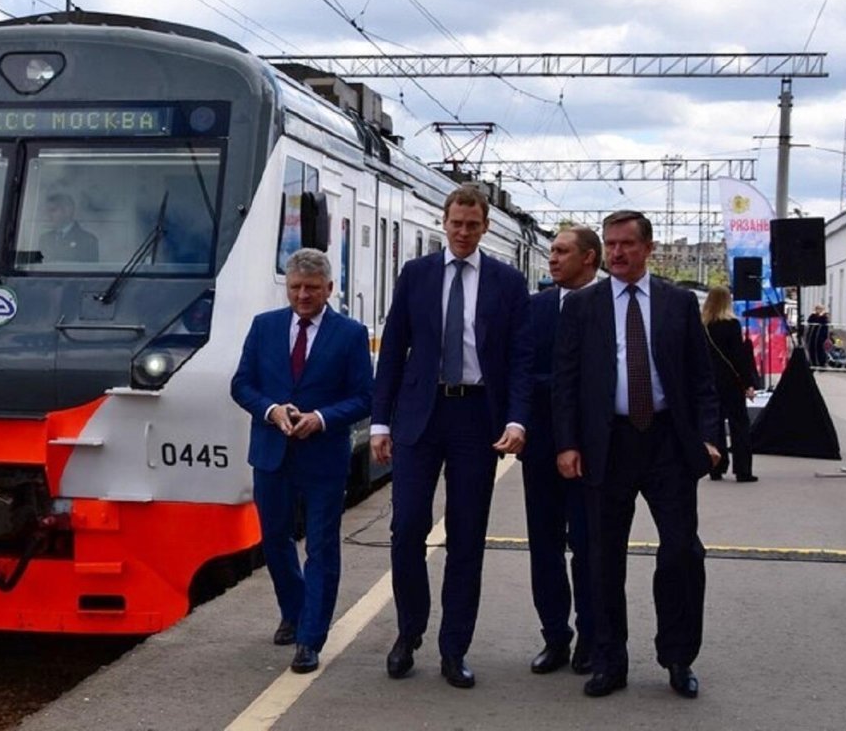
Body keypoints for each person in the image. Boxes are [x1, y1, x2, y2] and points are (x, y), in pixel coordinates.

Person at [552, 210, 720, 700]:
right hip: (608, 444)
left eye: (627, 244)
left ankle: (678, 656)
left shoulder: (677, 304)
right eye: (611, 244)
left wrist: (710, 439)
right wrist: (567, 444)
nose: (618, 253)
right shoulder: (583, 307)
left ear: (649, 248)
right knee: (603, 557)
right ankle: (609, 660)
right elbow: (565, 383)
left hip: (668, 442)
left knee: (681, 552)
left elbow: (701, 378)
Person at [371, 184, 532, 688]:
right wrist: (380, 422)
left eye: (473, 225)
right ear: (444, 222)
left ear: (485, 228)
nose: (463, 233)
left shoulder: (508, 281)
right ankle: (408, 633)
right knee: (406, 530)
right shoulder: (416, 275)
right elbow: (394, 348)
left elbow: (520, 359)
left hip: (476, 420)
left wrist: (516, 419)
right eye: (456, 224)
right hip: (420, 415)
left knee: (467, 538)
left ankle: (453, 647)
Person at [230, 248, 373, 675]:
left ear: (329, 289)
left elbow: (366, 397)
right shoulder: (264, 327)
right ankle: (293, 612)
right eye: (295, 287)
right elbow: (242, 385)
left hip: (323, 457)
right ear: (287, 287)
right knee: (275, 540)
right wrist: (272, 410)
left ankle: (311, 638)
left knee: (322, 547)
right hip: (271, 454)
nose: (303, 295)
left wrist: (323, 418)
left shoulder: (350, 334)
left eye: (312, 288)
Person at [520, 226, 601, 677]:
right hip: (541, 446)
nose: (551, 259)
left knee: (589, 546)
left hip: (591, 450)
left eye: (562, 251)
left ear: (589, 258)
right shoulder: (536, 308)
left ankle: (591, 634)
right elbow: (522, 369)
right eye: (551, 251)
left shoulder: (608, 306)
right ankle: (555, 636)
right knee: (544, 545)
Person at [702, 286, 760, 483]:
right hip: (731, 381)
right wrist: (748, 382)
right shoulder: (732, 324)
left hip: (709, 382)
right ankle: (742, 470)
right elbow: (738, 357)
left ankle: (716, 468)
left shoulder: (703, 326)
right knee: (739, 425)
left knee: (715, 425)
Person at [39, 192, 98, 262]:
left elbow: (89, 270)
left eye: (53, 210)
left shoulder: (88, 240)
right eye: (47, 211)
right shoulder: (45, 239)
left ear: (67, 211)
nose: (48, 216)